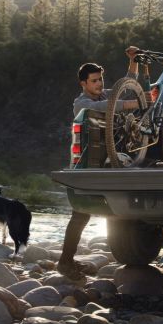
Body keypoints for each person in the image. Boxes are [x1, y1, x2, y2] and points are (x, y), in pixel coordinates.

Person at [57, 46, 142, 280]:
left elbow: (126, 86)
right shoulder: (81, 103)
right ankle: (65, 262)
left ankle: (127, 251)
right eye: (94, 80)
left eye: (100, 79)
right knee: (80, 215)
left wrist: (133, 61)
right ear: (83, 83)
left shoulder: (105, 94)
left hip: (109, 162)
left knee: (113, 210)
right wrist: (133, 105)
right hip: (85, 165)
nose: (99, 83)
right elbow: (106, 107)